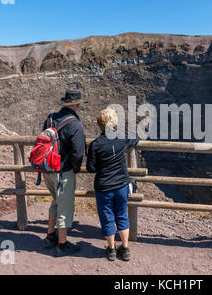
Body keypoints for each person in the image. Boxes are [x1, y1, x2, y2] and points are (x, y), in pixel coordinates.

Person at [86, 108, 139, 261]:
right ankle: (126, 248)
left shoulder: (96, 145)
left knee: (107, 217)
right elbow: (135, 139)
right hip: (122, 185)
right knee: (122, 215)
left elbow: (91, 168)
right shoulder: (122, 139)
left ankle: (111, 250)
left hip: (104, 188)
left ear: (100, 124)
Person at [41, 89, 86, 257]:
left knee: (56, 202)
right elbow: (78, 153)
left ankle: (50, 236)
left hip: (47, 170)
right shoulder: (75, 124)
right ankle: (62, 244)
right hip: (62, 172)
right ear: (76, 104)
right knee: (65, 208)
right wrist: (75, 169)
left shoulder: (50, 118)